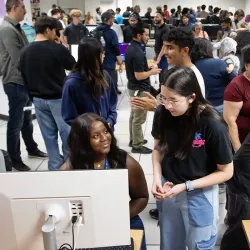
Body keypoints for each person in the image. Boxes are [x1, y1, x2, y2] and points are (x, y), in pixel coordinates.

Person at [151, 66, 233, 249]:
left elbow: (226, 172)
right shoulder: (162, 113)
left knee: (199, 245)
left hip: (199, 194)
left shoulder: (212, 124)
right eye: (163, 98)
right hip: (169, 189)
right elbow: (158, 149)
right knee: (170, 243)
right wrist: (156, 177)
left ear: (192, 97)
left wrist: (186, 186)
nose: (167, 105)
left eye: (173, 100)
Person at [61, 113, 149, 250]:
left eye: (106, 131)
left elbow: (142, 197)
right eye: (95, 136)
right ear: (83, 141)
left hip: (122, 218)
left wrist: (119, 216)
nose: (104, 138)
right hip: (88, 222)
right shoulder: (70, 168)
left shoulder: (126, 163)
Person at [20, 17, 75, 171]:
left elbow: (24, 76)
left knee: (49, 137)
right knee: (67, 135)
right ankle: (69, 166)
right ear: (48, 30)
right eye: (55, 31)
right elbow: (73, 66)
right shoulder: (57, 49)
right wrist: (62, 46)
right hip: (58, 99)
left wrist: (32, 97)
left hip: (38, 100)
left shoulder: (25, 51)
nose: (56, 34)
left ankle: (55, 168)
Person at [0, 0, 47, 171]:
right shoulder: (7, 29)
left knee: (26, 120)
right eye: (22, 8)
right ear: (14, 8)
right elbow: (18, 58)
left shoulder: (16, 27)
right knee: (15, 122)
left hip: (23, 81)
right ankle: (14, 159)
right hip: (15, 82)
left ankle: (32, 149)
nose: (25, 12)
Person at [130, 28, 206, 112]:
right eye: (164, 47)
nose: (165, 52)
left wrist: (156, 107)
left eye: (170, 48)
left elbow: (193, 114)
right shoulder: (174, 71)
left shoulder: (194, 77)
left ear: (185, 50)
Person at [62, 37, 118, 130]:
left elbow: (112, 103)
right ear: (93, 58)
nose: (103, 56)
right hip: (86, 136)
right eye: (101, 54)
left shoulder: (105, 76)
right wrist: (90, 127)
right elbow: (69, 116)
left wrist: (110, 120)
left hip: (106, 131)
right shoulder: (72, 84)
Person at [125, 22, 161, 154]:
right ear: (138, 35)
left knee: (134, 116)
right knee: (139, 118)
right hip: (139, 88)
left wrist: (148, 68)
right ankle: (137, 145)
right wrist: (152, 72)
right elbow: (139, 76)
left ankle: (133, 139)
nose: (147, 37)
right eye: (145, 35)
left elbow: (138, 70)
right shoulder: (138, 52)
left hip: (133, 87)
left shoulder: (132, 47)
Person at [191, 38, 236, 112]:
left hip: (198, 108)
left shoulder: (190, 67)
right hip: (220, 107)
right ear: (209, 49)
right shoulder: (219, 63)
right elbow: (234, 79)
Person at [224, 47, 250, 153]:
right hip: (244, 141)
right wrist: (238, 150)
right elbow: (230, 121)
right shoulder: (236, 86)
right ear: (247, 65)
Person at [97, 11, 123, 94]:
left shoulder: (95, 31)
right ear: (110, 20)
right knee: (110, 83)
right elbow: (116, 48)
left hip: (97, 62)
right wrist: (120, 61)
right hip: (109, 62)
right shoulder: (111, 33)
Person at [154, 11, 170, 82]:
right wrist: (155, 54)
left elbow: (165, 45)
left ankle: (163, 90)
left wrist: (159, 58)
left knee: (163, 74)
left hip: (163, 55)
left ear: (162, 17)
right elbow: (157, 42)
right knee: (160, 73)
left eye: (157, 17)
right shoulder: (158, 27)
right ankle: (161, 89)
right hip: (158, 54)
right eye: (154, 17)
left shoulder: (166, 29)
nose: (155, 18)